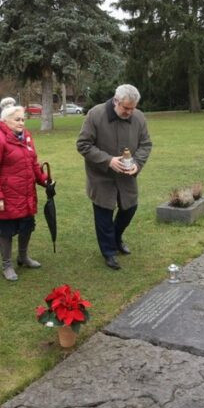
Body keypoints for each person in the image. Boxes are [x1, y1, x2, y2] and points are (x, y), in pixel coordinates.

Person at [76, 84, 152, 270]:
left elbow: (146, 144)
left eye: (133, 108)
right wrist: (108, 160)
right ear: (116, 101)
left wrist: (137, 163)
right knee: (104, 213)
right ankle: (109, 252)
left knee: (130, 208)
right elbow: (83, 144)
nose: (130, 112)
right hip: (101, 176)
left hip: (127, 176)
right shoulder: (95, 114)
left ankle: (116, 238)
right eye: (126, 108)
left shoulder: (139, 117)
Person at [0, 105, 49, 281]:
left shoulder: (26, 136)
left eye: (23, 119)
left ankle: (23, 257)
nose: (21, 122)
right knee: (6, 232)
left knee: (26, 226)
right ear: (5, 121)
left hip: (26, 194)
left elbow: (33, 163)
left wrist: (44, 180)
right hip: (7, 196)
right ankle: (7, 265)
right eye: (17, 119)